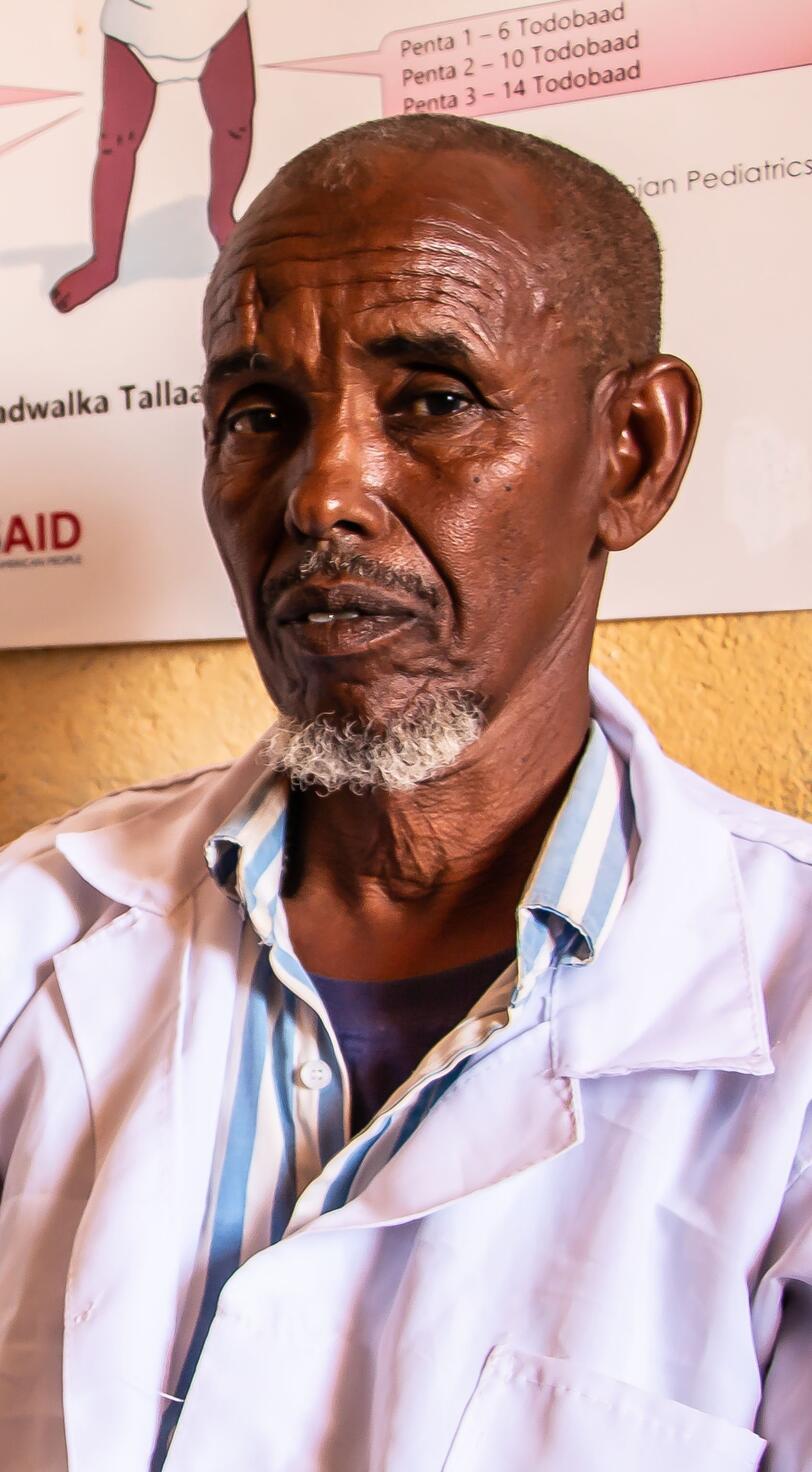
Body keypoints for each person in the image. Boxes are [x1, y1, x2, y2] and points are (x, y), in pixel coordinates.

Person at [2, 114, 810, 1470]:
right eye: (259, 415)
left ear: (633, 451)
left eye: (432, 399)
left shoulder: (788, 1000)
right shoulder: (33, 937)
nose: (323, 494)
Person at [51, 0, 254, 312]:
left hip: (219, 19)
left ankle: (221, 216)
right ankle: (104, 263)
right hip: (133, 25)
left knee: (235, 126)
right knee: (116, 143)